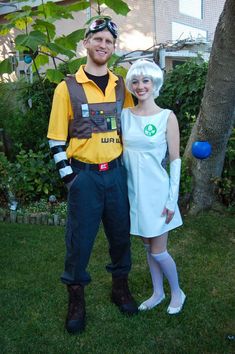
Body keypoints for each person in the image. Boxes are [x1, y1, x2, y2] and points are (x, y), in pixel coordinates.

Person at [47, 16, 138, 335]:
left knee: (120, 237)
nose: (103, 45)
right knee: (79, 243)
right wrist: (71, 179)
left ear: (114, 47)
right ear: (86, 42)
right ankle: (76, 299)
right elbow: (56, 138)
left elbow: (132, 127)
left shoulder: (120, 86)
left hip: (115, 176)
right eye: (97, 39)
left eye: (109, 41)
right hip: (84, 178)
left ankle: (120, 288)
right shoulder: (66, 88)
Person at [121, 59, 186, 315]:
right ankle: (158, 293)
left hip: (157, 194)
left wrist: (172, 200)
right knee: (148, 248)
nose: (140, 86)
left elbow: (175, 160)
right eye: (135, 81)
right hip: (132, 193)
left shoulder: (166, 117)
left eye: (146, 80)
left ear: (155, 83)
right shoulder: (125, 116)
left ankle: (177, 291)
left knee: (159, 251)